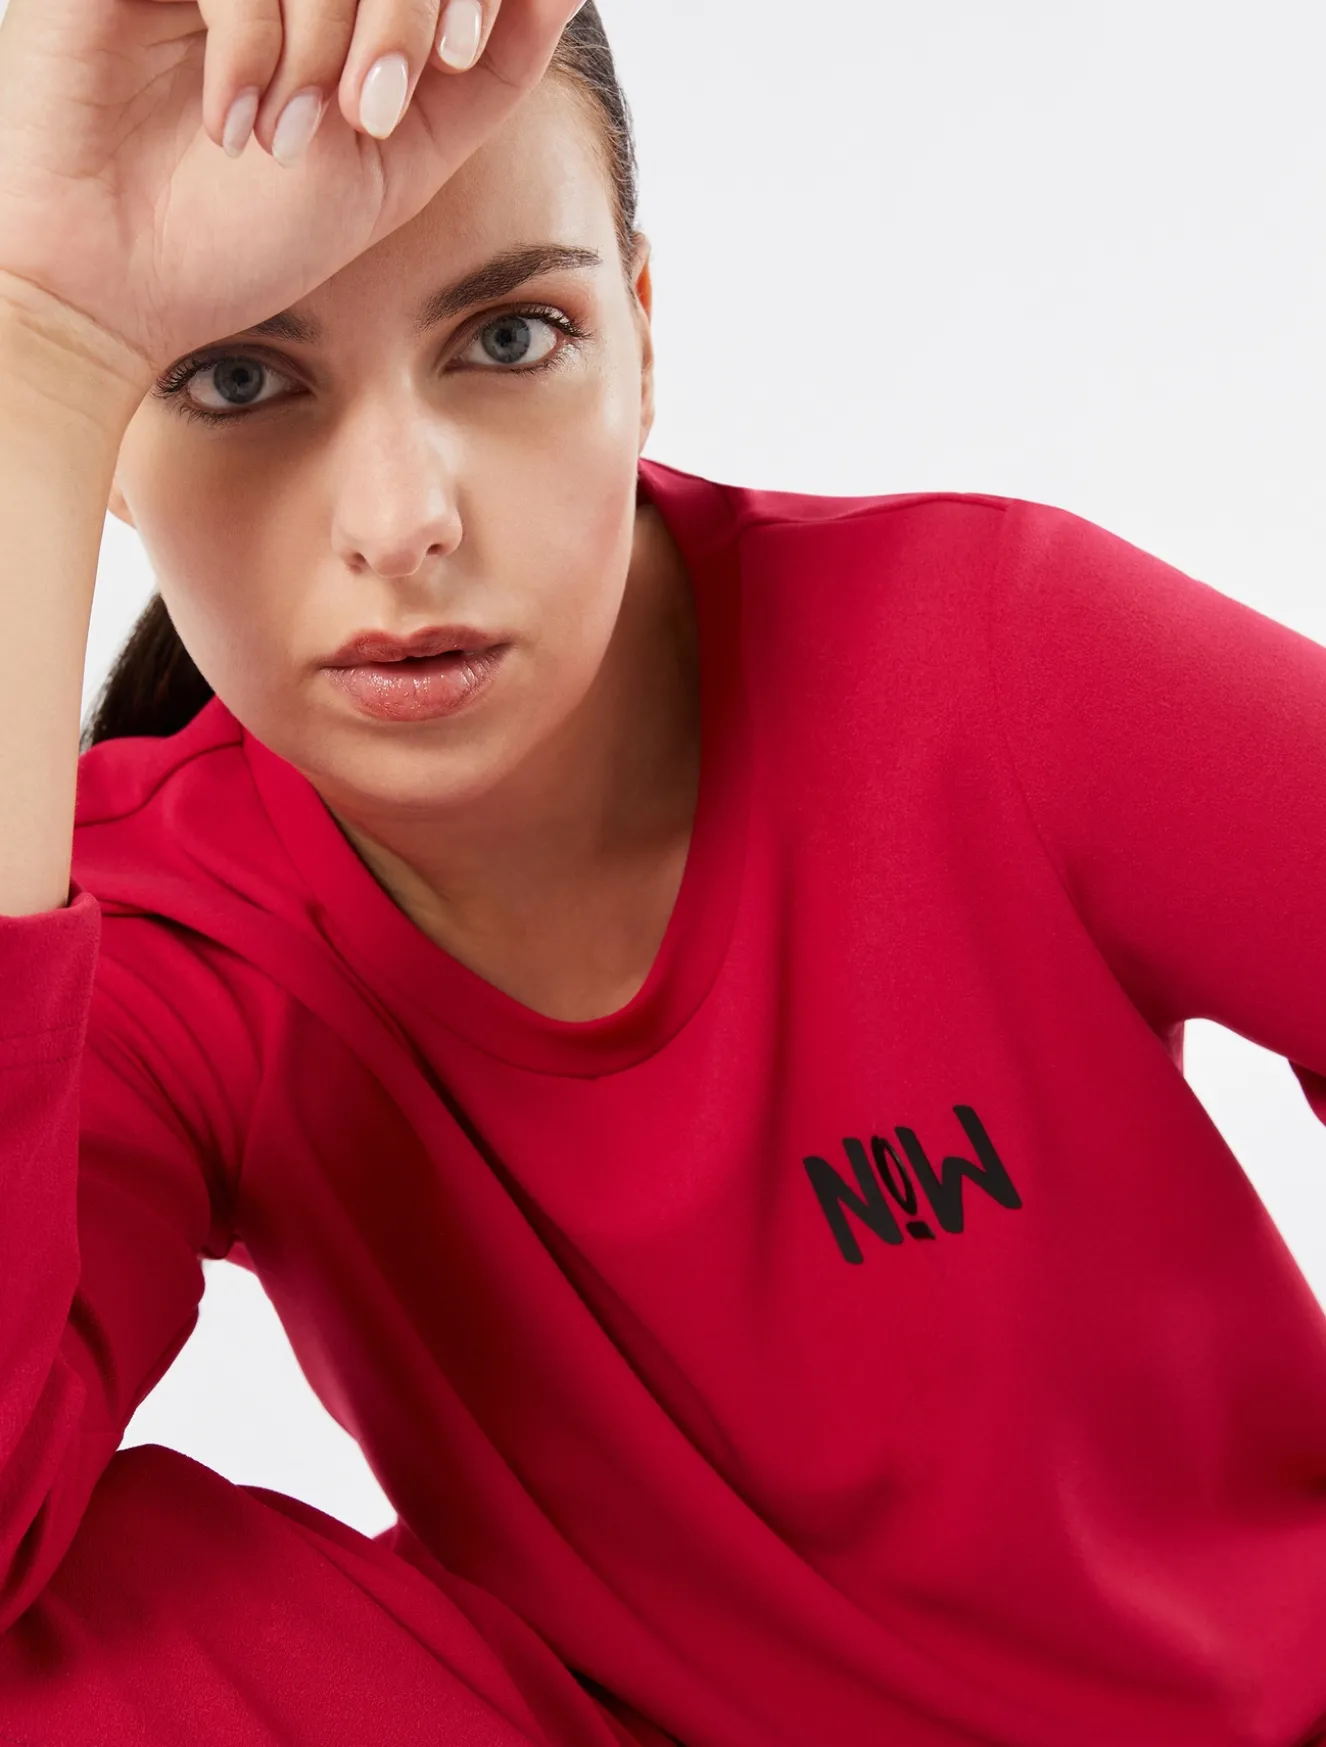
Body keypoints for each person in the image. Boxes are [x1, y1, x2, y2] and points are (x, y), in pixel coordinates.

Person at [2, 1, 1326, 1744]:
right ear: (112, 447)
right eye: (237, 379)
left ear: (639, 334)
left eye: (509, 336)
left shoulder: (988, 663)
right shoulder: (159, 933)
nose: (402, 518)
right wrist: (36, 345)